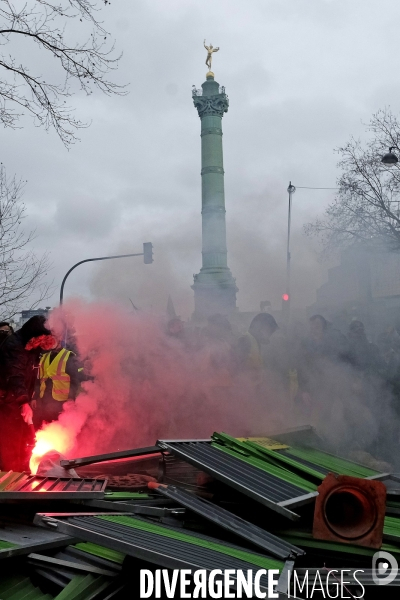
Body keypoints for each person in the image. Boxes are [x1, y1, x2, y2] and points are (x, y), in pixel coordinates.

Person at [0, 316, 55, 471]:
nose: (42, 343)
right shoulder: (14, 346)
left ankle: (22, 471)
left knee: (25, 439)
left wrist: (30, 397)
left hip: (15, 400)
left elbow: (31, 376)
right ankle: (9, 479)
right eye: (41, 339)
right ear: (34, 335)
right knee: (10, 442)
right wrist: (23, 401)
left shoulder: (32, 348)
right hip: (6, 402)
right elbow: (15, 375)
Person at [33, 338, 83, 429]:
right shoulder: (44, 357)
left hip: (61, 402)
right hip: (43, 400)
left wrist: (71, 399)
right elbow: (39, 379)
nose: (49, 342)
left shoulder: (69, 356)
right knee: (44, 427)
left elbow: (74, 381)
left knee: (60, 428)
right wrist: (35, 397)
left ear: (59, 339)